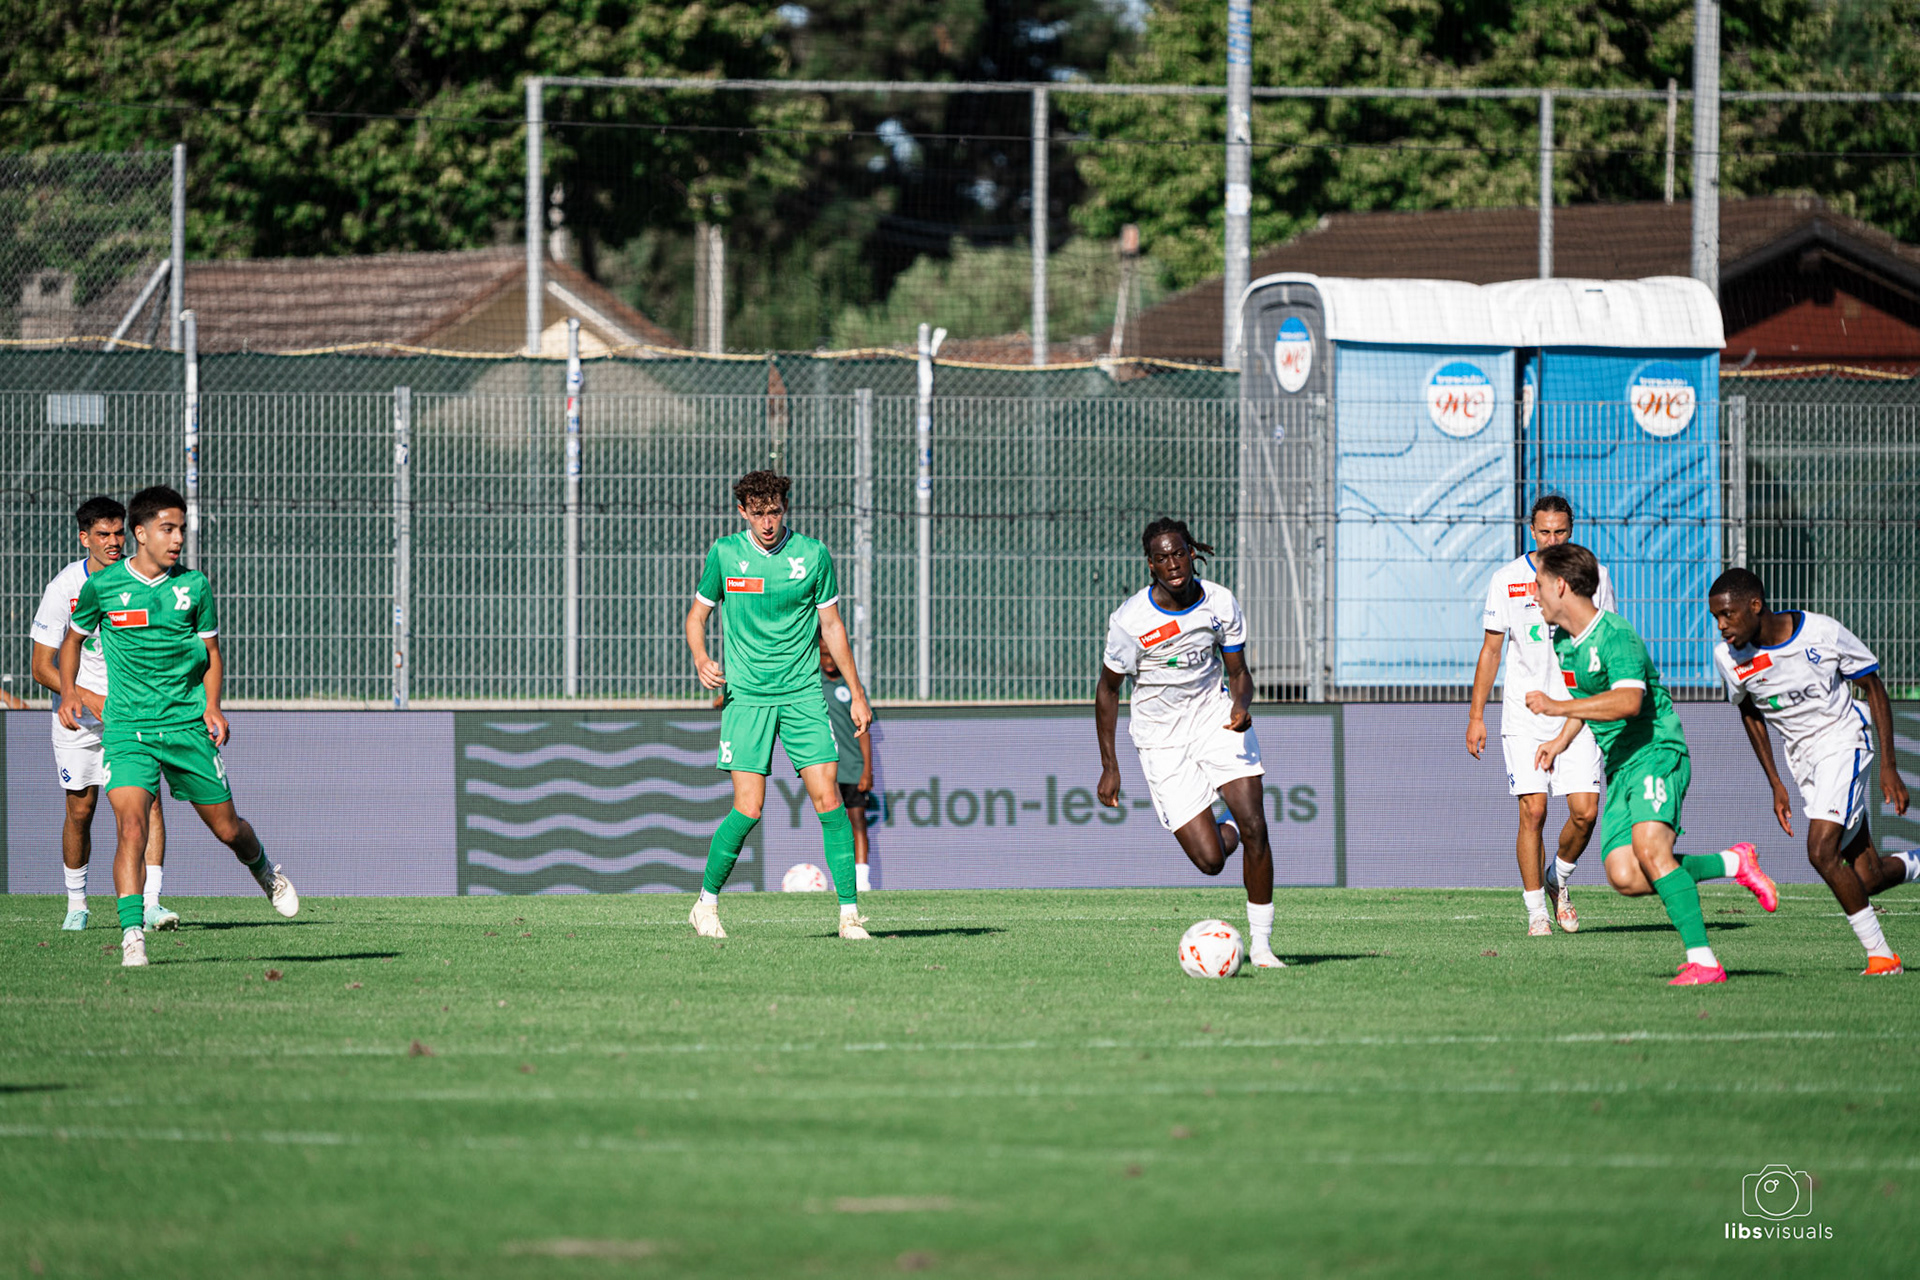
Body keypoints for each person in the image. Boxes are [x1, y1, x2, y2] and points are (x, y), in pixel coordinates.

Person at [59, 486, 298, 968]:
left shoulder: (195, 586)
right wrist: (69, 692)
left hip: (186, 726)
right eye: (168, 529)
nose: (177, 538)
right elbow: (71, 642)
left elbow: (211, 653)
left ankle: (264, 869)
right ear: (141, 533)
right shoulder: (102, 588)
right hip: (129, 729)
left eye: (182, 529)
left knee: (229, 830)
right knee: (130, 827)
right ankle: (131, 935)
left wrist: (213, 706)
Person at [1527, 543, 1777, 986]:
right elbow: (1585, 702)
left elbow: (1628, 701)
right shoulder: (1564, 641)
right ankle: (1733, 864)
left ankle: (1704, 961)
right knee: (1626, 876)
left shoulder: (1616, 636)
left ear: (1561, 586)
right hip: (1621, 766)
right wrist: (1559, 741)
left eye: (1540, 583)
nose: (1534, 592)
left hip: (1656, 751)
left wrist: (1553, 708)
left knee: (1651, 850)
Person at [685, 470, 874, 939]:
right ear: (742, 511)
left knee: (830, 800)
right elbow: (697, 617)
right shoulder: (725, 554)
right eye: (758, 513)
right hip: (747, 698)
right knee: (748, 809)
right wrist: (701, 657)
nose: (767, 522)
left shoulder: (812, 555)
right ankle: (705, 906)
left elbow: (832, 627)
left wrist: (857, 693)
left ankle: (850, 916)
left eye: (774, 511)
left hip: (804, 695)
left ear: (784, 508)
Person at [1708, 568, 1917, 975]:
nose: (1722, 627)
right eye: (1715, 618)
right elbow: (1749, 711)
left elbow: (1873, 687)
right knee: (1868, 877)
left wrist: (1889, 766)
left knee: (1820, 851)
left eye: (1728, 615)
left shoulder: (1821, 633)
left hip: (1844, 742)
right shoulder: (1728, 658)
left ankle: (1882, 955)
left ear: (1755, 606)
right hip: (1803, 761)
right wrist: (1775, 783)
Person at [1095, 518, 1282, 969]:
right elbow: (1107, 690)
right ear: (1151, 564)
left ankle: (1260, 947)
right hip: (1161, 738)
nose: (1172, 564)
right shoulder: (1130, 622)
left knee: (1257, 824)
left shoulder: (1219, 602)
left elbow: (1238, 672)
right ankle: (1223, 821)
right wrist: (1109, 765)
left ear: (1191, 552)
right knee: (1211, 861)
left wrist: (1241, 704)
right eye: (1162, 557)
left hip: (1215, 718)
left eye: (1178, 553)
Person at [1468, 494, 1616, 937]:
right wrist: (1476, 716)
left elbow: (1604, 642)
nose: (1552, 540)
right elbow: (1492, 649)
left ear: (1572, 531)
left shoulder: (1594, 576)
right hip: (1525, 715)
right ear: (1531, 531)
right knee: (1532, 812)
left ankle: (1559, 880)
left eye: (1561, 532)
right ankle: (1536, 911)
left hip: (1579, 712)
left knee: (1585, 812)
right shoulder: (1508, 579)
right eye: (1544, 531)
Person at [30, 496, 171, 931]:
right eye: (102, 535)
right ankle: (77, 904)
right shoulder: (63, 588)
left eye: (117, 533)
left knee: (146, 806)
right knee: (80, 810)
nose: (113, 542)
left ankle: (151, 905)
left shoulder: (145, 579)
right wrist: (85, 696)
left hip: (133, 716)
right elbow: (41, 667)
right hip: (80, 720)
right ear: (84, 537)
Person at [821, 637, 876, 893]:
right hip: (826, 770)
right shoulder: (812, 686)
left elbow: (864, 731)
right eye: (824, 655)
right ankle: (842, 879)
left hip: (852, 767)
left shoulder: (852, 688)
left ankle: (862, 880)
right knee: (834, 824)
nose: (829, 661)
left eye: (833, 654)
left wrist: (867, 769)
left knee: (857, 822)